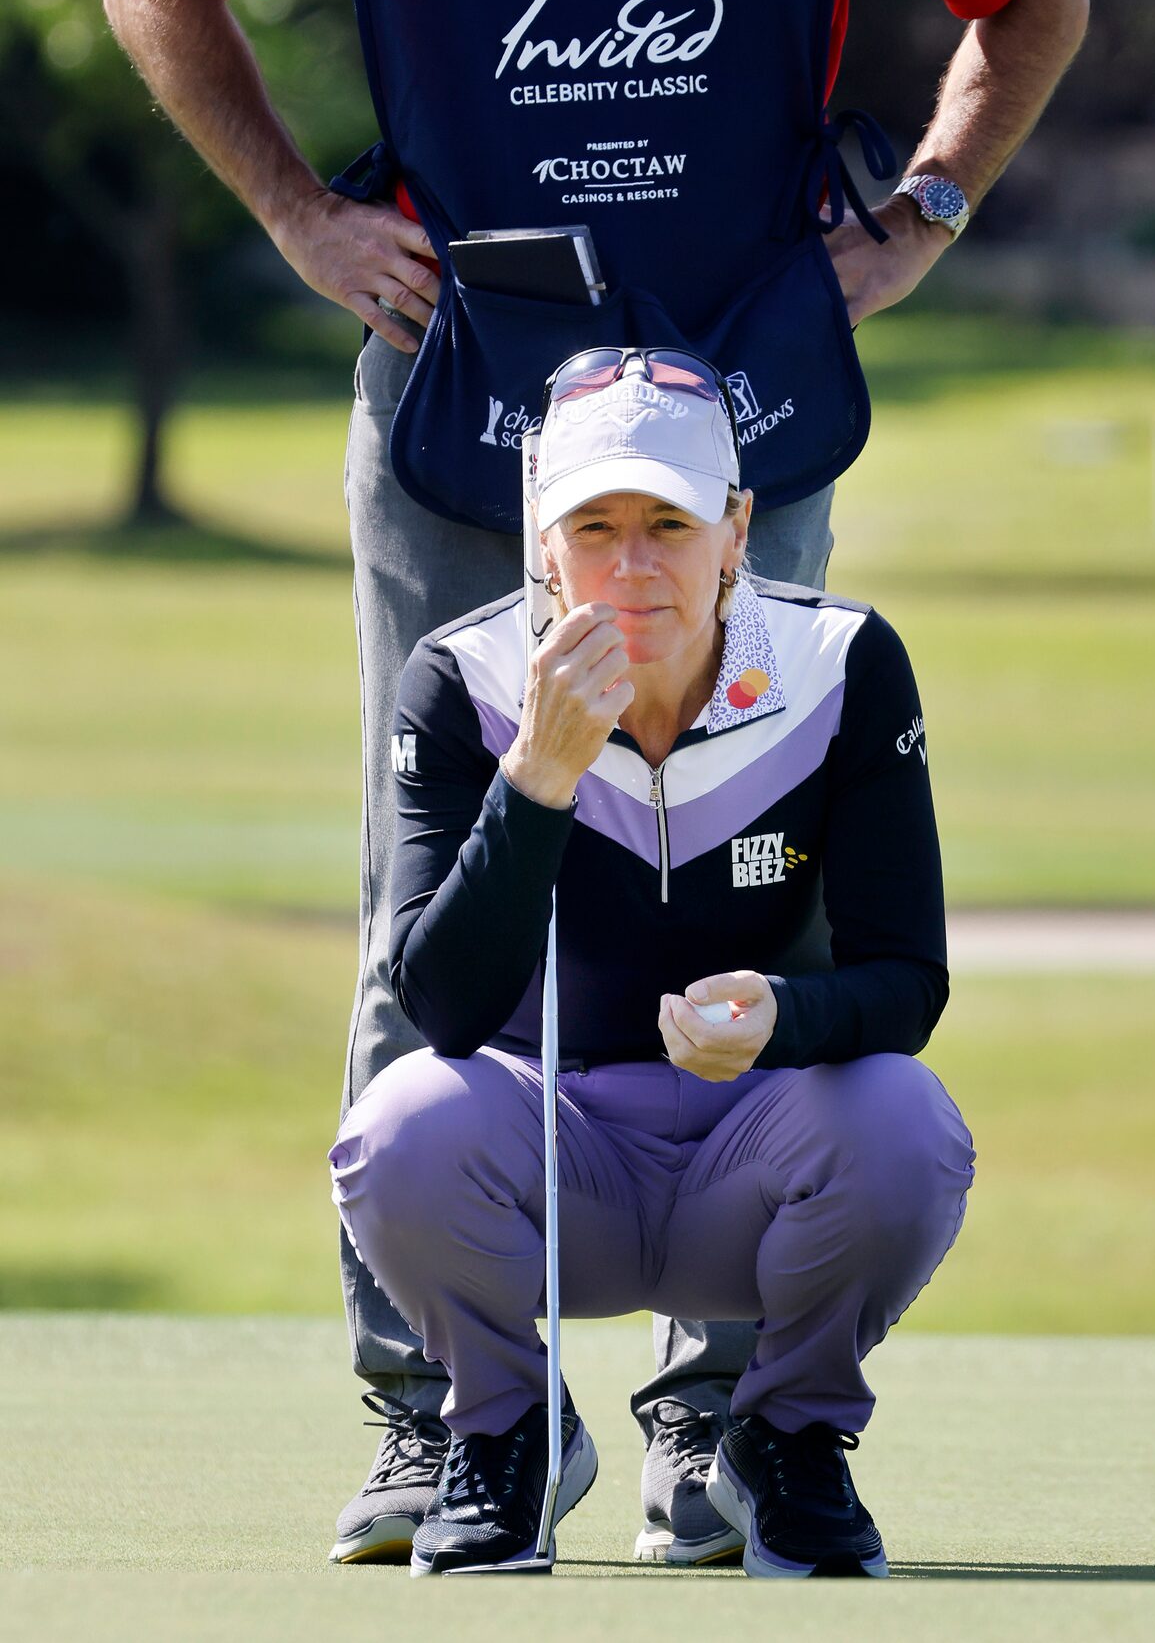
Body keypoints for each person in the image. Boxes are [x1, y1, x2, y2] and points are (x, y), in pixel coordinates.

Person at [102, 0, 1086, 1565]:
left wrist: (925, 207)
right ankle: (443, 1415)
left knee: (753, 875)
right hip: (458, 392)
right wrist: (295, 215)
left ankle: (713, 1423)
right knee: (427, 886)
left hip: (740, 394)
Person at [329, 345, 975, 1576]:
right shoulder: (461, 682)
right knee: (401, 1121)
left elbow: (908, 981)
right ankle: (507, 1428)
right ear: (542, 539)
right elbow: (441, 1001)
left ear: (737, 530)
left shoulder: (839, 669)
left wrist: (784, 1017)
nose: (632, 567)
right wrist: (540, 778)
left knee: (903, 1119)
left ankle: (782, 1437)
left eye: (669, 523)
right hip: (553, 1158)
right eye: (596, 525)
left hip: (754, 1153)